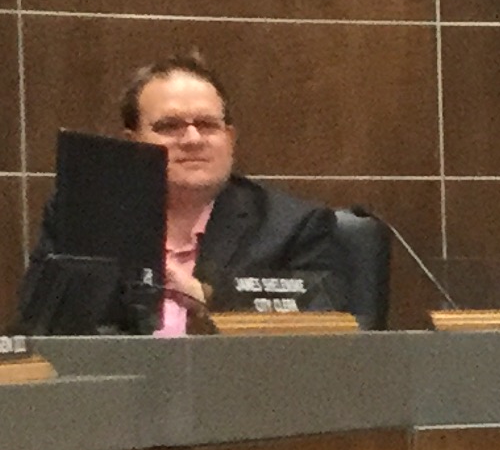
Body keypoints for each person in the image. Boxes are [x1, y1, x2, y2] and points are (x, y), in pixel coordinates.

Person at [15, 56, 336, 335]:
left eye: (207, 124)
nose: (193, 139)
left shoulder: (293, 226)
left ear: (230, 138)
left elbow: (320, 328)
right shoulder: (85, 217)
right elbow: (37, 325)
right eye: (170, 126)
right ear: (133, 142)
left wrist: (207, 298)